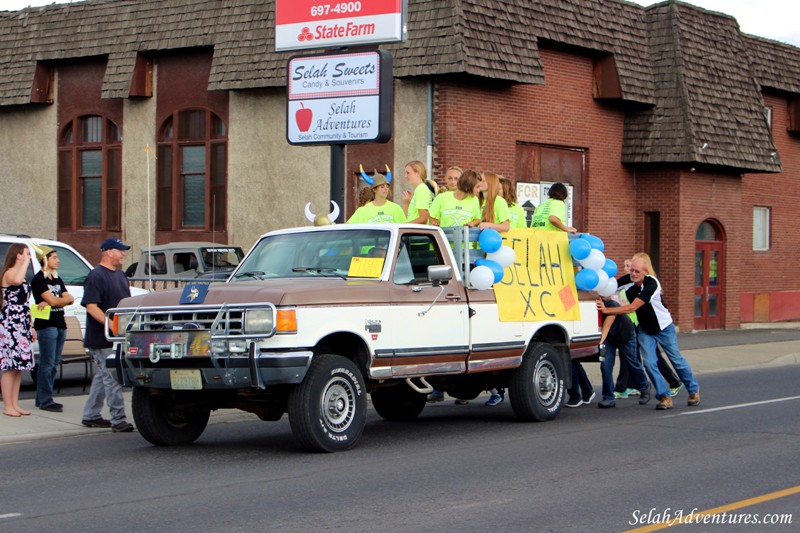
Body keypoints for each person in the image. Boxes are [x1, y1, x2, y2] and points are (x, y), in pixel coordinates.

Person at [597, 255, 700, 410]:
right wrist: (597, 294)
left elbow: (632, 307)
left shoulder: (652, 283)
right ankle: (664, 396)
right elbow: (607, 289)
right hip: (645, 329)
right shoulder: (627, 280)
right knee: (650, 363)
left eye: (637, 271)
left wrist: (608, 309)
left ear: (645, 272)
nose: (633, 274)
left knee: (676, 359)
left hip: (664, 327)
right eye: (631, 270)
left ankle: (693, 390)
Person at [81, 237, 135, 432]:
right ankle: (118, 419)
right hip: (101, 338)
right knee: (112, 377)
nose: (123, 254)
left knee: (104, 376)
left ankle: (91, 415)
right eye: (120, 250)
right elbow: (91, 306)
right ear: (108, 252)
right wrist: (111, 324)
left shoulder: (120, 275)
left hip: (118, 336)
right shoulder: (96, 275)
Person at [615, 255, 683, 398]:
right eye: (626, 267)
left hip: (641, 324)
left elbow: (634, 306)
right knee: (633, 355)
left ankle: (673, 382)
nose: (627, 270)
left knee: (650, 357)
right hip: (633, 323)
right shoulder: (627, 283)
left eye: (629, 267)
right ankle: (632, 385)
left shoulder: (649, 284)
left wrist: (619, 307)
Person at [32, 245, 75, 413]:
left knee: (54, 363)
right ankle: (45, 400)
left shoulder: (56, 278)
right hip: (46, 325)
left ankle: (41, 397)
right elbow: (58, 301)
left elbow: (69, 299)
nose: (58, 260)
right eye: (55, 257)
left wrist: (56, 300)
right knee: (47, 363)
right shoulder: (39, 279)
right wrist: (57, 300)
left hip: (60, 323)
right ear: (45, 260)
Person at [1, 244, 36, 417]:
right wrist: (24, 264)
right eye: (26, 254)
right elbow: (15, 281)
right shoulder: (9, 274)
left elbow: (25, 304)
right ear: (18, 255)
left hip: (22, 323)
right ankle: (7, 405)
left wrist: (31, 326)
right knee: (9, 366)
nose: (29, 257)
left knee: (18, 366)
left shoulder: (22, 277)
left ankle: (15, 403)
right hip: (9, 325)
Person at [597, 298, 651, 408]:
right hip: (609, 338)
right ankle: (608, 397)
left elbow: (606, 326)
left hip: (625, 335)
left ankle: (644, 386)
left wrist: (599, 343)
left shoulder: (611, 304)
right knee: (605, 365)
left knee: (632, 363)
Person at [401, 160, 433, 224]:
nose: (405, 176)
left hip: (418, 233)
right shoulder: (419, 189)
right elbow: (410, 218)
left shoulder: (421, 189)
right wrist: (406, 204)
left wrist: (405, 225)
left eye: (408, 173)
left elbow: (423, 219)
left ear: (418, 173)